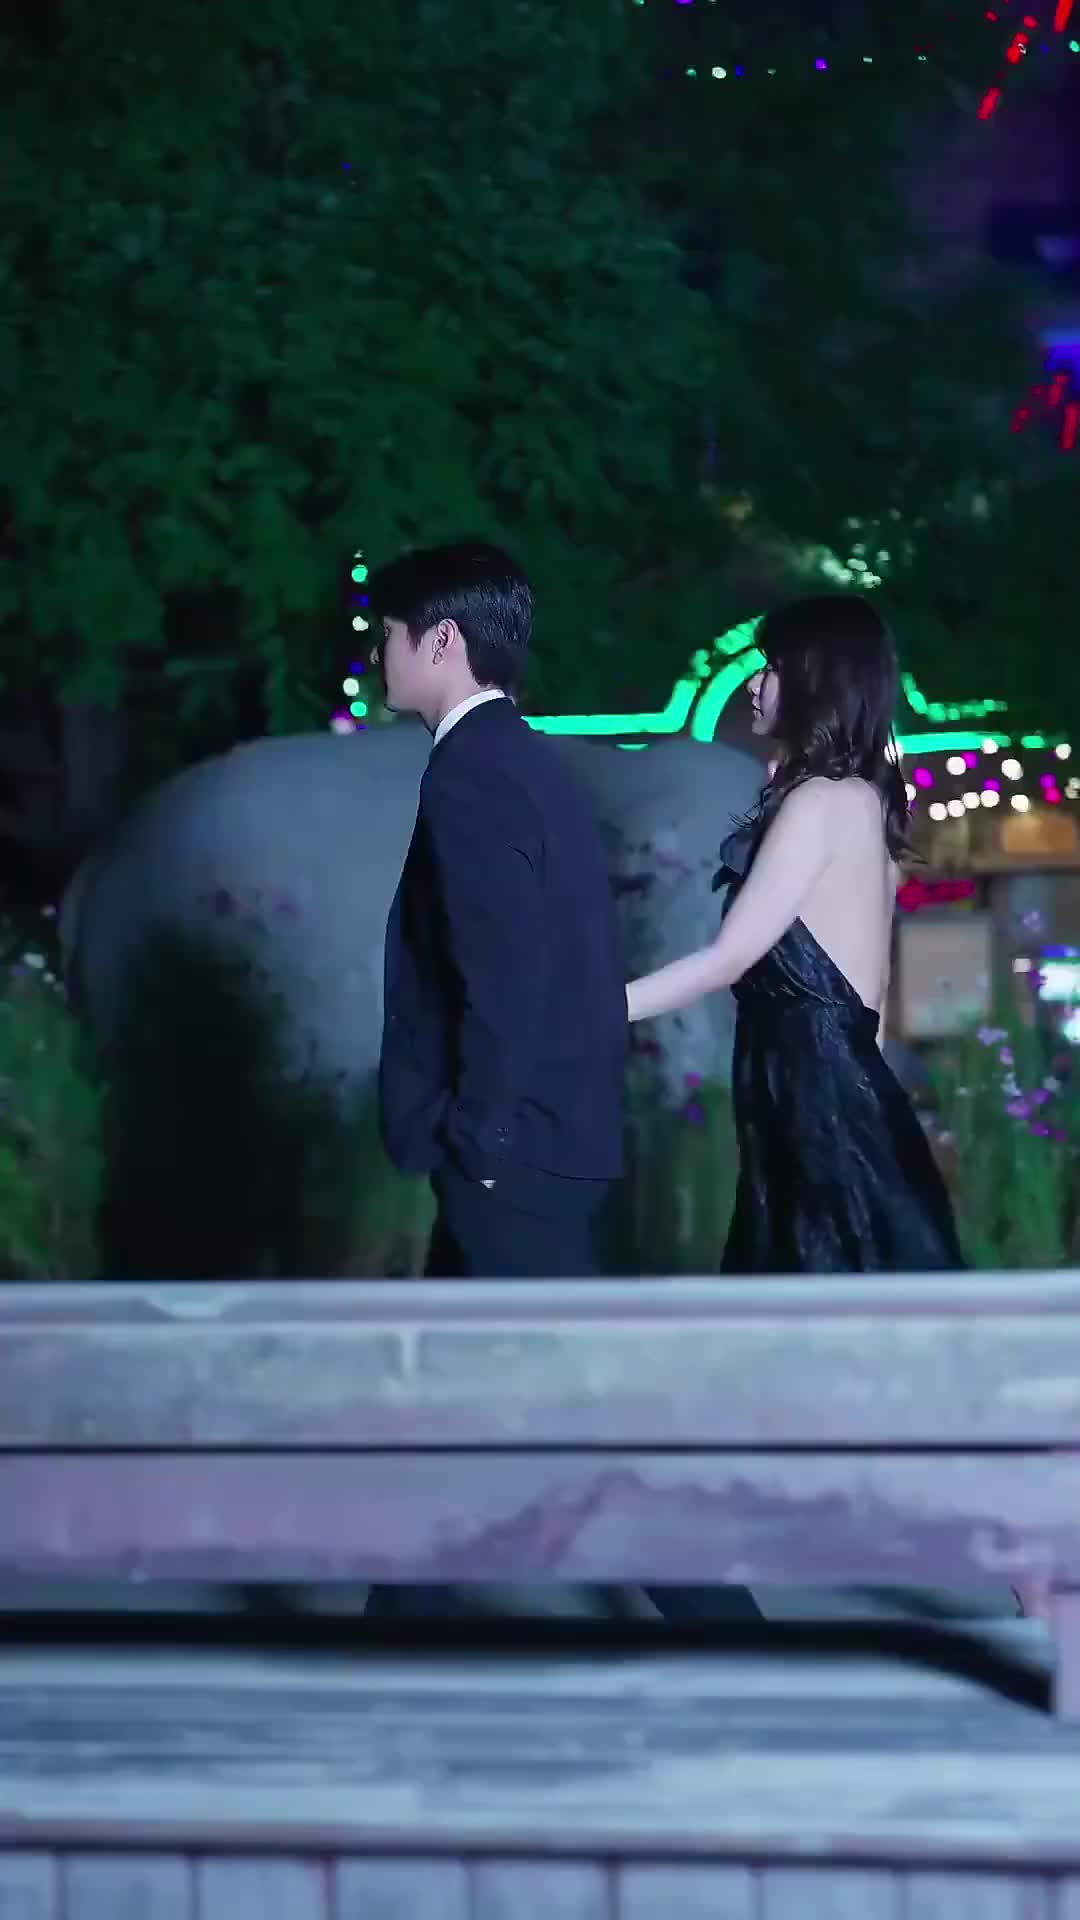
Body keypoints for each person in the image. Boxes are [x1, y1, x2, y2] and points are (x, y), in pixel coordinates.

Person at [626, 594, 965, 1275]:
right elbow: (871, 995)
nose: (755, 682)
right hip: (817, 1093)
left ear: (818, 678)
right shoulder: (855, 797)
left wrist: (588, 1011)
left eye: (772, 666)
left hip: (815, 1099)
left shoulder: (822, 801)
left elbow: (727, 959)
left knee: (819, 1288)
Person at [370, 537, 630, 1282]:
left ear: (440, 640)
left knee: (521, 1352)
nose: (379, 653)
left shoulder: (472, 773)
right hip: (543, 1138)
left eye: (389, 633)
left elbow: (504, 974)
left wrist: (480, 1141)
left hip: (515, 1151)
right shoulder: (521, 757)